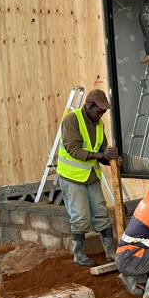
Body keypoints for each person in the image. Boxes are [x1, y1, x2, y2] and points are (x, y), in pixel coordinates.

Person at [57, 89, 119, 266]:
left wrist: (112, 159)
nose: (102, 114)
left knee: (102, 214)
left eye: (104, 112)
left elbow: (102, 151)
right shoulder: (72, 120)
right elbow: (74, 150)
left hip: (91, 176)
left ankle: (110, 252)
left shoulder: (98, 125)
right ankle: (79, 254)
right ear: (89, 105)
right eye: (99, 111)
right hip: (72, 177)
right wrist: (102, 156)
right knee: (80, 217)